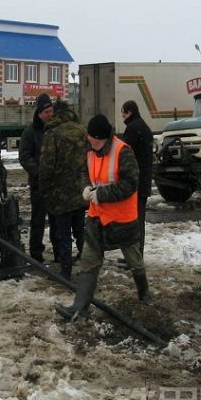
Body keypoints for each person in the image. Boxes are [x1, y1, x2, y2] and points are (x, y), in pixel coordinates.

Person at [56, 114, 151, 321]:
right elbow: (84, 172)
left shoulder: (122, 151)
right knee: (89, 260)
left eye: (95, 141)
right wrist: (85, 188)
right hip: (97, 218)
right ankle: (79, 308)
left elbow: (131, 183)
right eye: (89, 140)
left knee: (134, 260)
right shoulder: (90, 148)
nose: (91, 144)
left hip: (121, 220)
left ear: (105, 138)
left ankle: (145, 297)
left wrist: (101, 194)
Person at [38, 99, 87, 279]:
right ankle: (90, 266)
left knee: (63, 233)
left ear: (56, 113)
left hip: (60, 195)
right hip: (81, 191)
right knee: (81, 230)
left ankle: (65, 271)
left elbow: (46, 167)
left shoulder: (53, 134)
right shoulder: (82, 131)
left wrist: (44, 190)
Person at [18, 93, 53, 263]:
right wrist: (39, 172)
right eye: (46, 112)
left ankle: (59, 249)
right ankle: (36, 251)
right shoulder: (30, 132)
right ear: (39, 113)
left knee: (56, 219)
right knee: (38, 219)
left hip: (55, 184)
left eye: (51, 111)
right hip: (38, 183)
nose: (49, 114)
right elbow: (24, 157)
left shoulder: (54, 130)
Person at [121, 100, 153, 259]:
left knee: (135, 220)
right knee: (138, 218)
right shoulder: (143, 126)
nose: (122, 117)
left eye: (124, 113)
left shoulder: (133, 128)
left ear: (129, 112)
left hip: (137, 181)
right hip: (144, 178)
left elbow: (124, 153)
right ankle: (136, 254)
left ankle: (135, 256)